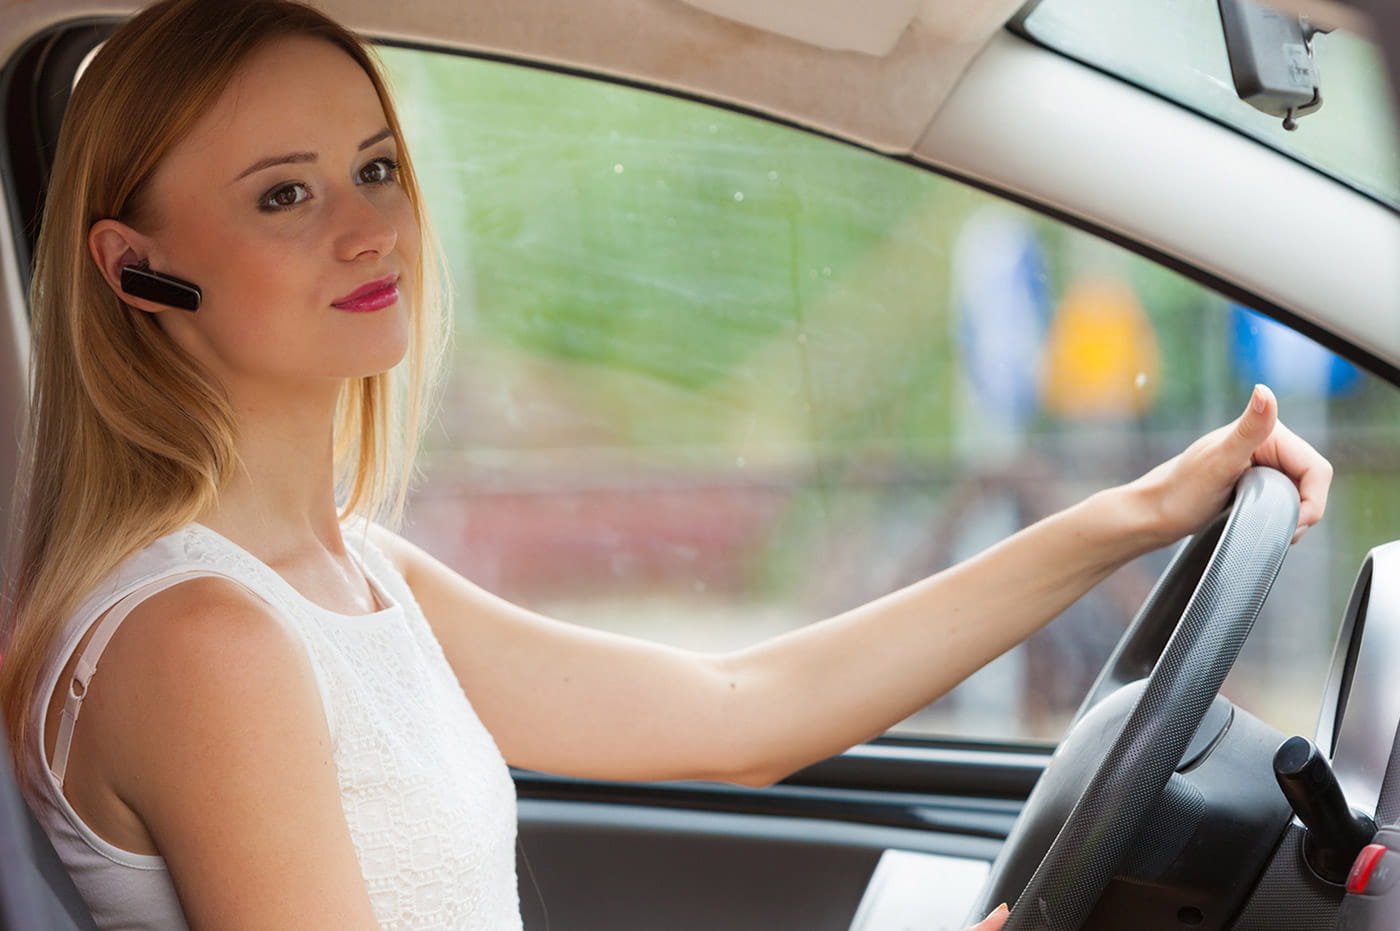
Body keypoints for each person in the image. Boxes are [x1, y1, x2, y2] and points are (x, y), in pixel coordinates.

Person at [0, 0, 1333, 928]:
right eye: (285, 194)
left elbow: (735, 706)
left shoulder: (344, 568)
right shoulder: (199, 639)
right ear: (136, 272)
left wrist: (1133, 516)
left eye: (377, 167)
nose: (369, 230)